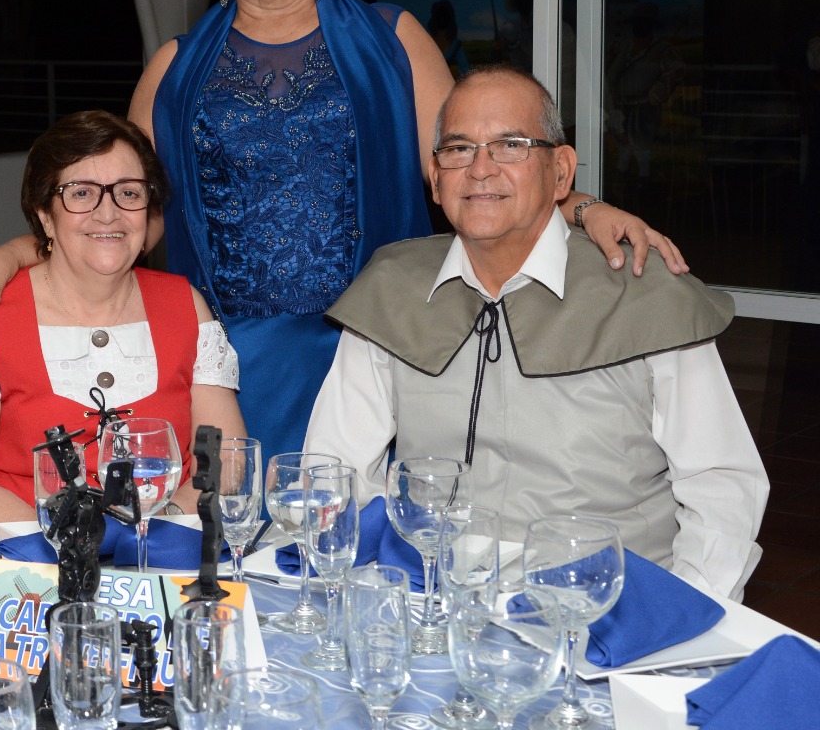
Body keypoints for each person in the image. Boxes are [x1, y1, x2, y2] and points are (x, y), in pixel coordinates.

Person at [0, 0, 685, 476]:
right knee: (234, 551)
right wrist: (22, 251)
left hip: (383, 346)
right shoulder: (172, 71)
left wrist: (581, 207)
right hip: (235, 369)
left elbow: (474, 172)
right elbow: (129, 215)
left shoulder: (393, 43)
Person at [305, 67, 768, 600]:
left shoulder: (645, 295)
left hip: (604, 617)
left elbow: (722, 485)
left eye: (510, 145)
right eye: (458, 149)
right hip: (430, 604)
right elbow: (333, 470)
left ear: (561, 171)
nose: (480, 169)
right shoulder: (392, 291)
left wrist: (681, 612)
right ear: (435, 178)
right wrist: (365, 592)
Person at [0, 110, 244, 526]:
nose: (108, 213)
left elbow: (225, 459)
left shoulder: (186, 305)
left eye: (129, 193)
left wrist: (157, 529)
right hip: (30, 565)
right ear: (44, 215)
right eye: (81, 193)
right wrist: (70, 549)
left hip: (164, 558)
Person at [605, 0, 684, 179]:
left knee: (642, 145)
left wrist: (655, 95)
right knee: (621, 143)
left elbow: (675, 72)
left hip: (644, 107)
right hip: (619, 105)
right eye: (637, 22)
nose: (639, 26)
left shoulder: (663, 50)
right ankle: (622, 177)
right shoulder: (622, 47)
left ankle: (644, 179)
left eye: (644, 22)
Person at [428, 0, 472, 78]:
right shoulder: (427, 43)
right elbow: (466, 71)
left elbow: (466, 72)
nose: (442, 19)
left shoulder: (456, 46)